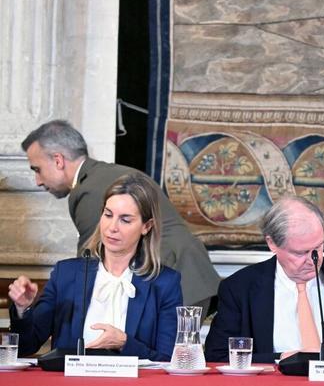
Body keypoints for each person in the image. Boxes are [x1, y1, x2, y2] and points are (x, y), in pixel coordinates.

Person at [22, 120, 220, 314]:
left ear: (58, 160)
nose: (38, 181)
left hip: (178, 281)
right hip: (184, 277)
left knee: (166, 347)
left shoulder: (89, 190)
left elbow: (91, 263)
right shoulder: (101, 176)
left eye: (37, 169)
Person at [7, 174, 183, 360]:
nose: (112, 227)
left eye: (125, 219)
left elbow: (167, 359)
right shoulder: (66, 274)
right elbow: (25, 347)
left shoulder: (165, 283)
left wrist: (125, 343)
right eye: (108, 215)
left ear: (146, 226)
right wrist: (22, 308)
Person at [204, 196, 324, 365]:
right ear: (272, 243)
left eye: (319, 247)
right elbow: (217, 356)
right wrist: (281, 359)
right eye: (301, 252)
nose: (313, 259)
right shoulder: (240, 287)